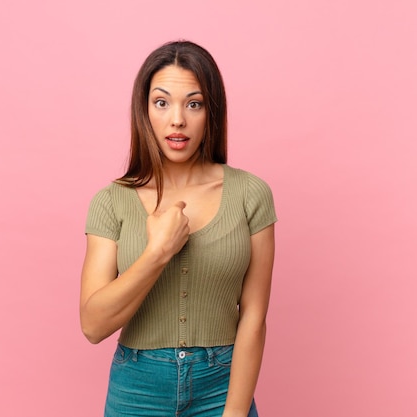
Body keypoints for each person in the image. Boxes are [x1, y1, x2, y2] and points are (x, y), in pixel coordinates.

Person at [80, 40, 277, 417]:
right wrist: (157, 252)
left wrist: (234, 414)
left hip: (223, 384)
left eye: (194, 103)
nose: (177, 120)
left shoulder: (250, 194)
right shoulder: (111, 201)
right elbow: (93, 325)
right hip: (137, 389)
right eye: (162, 102)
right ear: (144, 110)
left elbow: (254, 316)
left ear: (211, 112)